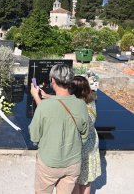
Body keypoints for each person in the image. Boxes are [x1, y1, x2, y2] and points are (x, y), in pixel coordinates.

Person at [29, 64, 89, 194]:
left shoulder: (44, 106)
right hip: (73, 163)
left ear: (53, 81)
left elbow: (34, 136)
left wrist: (36, 96)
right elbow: (85, 134)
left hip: (49, 162)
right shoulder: (81, 104)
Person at [72, 76, 101, 194]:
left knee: (74, 180)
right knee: (86, 180)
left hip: (80, 147)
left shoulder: (78, 107)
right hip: (92, 142)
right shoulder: (91, 100)